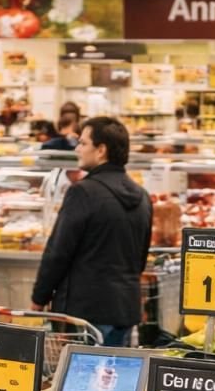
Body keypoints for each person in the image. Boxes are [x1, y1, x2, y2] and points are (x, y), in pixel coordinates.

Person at [31, 117, 151, 347]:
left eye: (83, 143)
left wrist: (39, 298)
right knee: (114, 378)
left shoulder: (83, 193)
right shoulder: (142, 196)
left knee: (82, 380)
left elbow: (58, 252)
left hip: (86, 312)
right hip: (125, 309)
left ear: (101, 150)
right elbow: (140, 259)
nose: (77, 148)